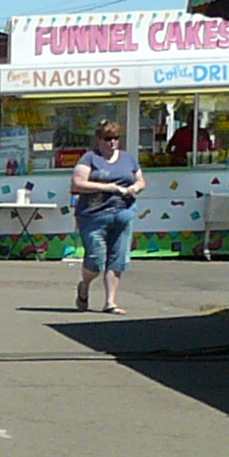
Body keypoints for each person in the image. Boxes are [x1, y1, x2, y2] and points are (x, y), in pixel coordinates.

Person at [70, 119, 144, 314]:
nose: (112, 142)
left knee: (117, 258)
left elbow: (140, 180)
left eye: (116, 138)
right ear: (99, 139)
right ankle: (85, 285)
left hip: (123, 213)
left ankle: (110, 302)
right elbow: (77, 184)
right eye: (108, 138)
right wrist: (108, 187)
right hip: (93, 216)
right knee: (95, 260)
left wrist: (135, 188)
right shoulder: (90, 158)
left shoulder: (128, 158)